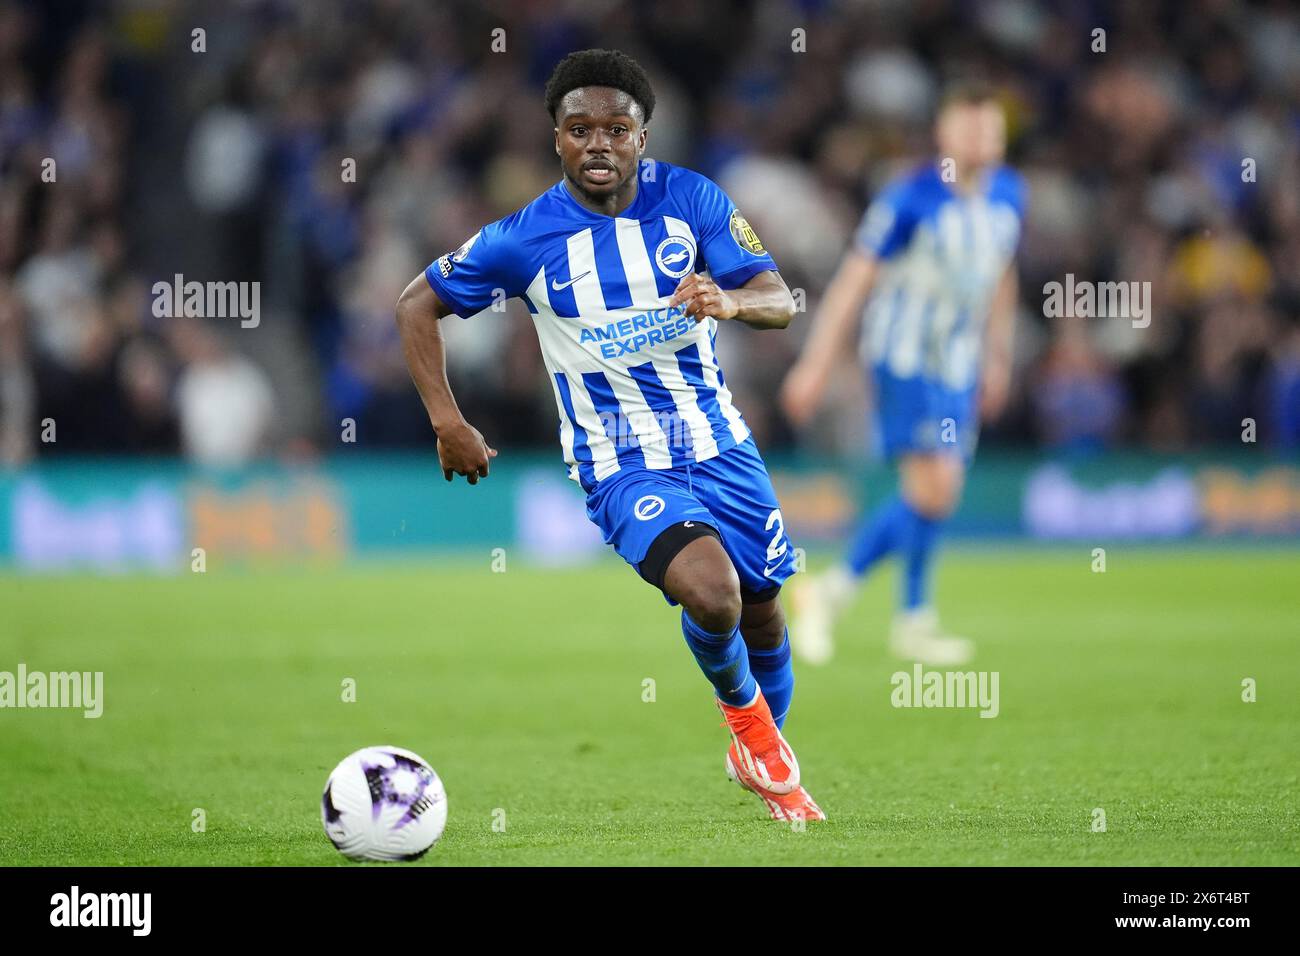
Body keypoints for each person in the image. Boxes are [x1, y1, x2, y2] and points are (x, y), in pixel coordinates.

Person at [395, 49, 822, 821]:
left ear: (643, 138)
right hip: (619, 460)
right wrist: (447, 420)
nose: (599, 143)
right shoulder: (522, 238)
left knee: (761, 606)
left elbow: (779, 297)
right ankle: (759, 739)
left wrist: (728, 303)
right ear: (555, 139)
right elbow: (414, 305)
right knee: (714, 594)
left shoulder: (692, 200)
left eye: (616, 129)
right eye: (580, 128)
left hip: (720, 444)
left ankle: (759, 747)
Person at [780, 83, 1025, 667]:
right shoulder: (910, 197)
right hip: (904, 356)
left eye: (989, 129)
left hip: (959, 362)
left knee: (939, 492)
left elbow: (1002, 277)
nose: (980, 140)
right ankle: (886, 611)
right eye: (968, 129)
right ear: (944, 133)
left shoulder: (1011, 195)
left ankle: (872, 606)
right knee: (934, 486)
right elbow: (854, 280)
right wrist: (815, 364)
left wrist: (998, 355)